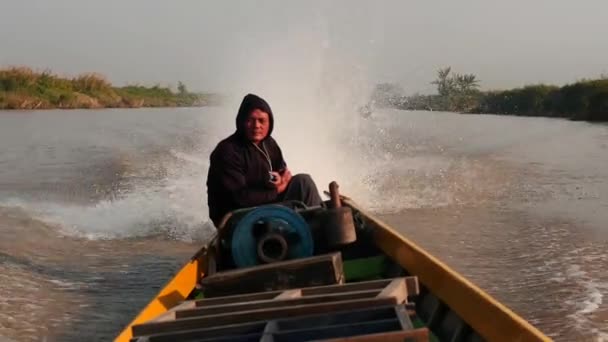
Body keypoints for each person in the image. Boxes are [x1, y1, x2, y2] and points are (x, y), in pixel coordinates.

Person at [206, 93, 323, 227]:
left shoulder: (269, 144)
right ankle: (316, 232)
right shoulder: (227, 151)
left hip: (263, 203)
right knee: (294, 207)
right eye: (251, 120)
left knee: (304, 182)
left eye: (262, 120)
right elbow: (239, 197)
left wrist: (280, 177)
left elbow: (281, 170)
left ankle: (323, 224)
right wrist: (276, 191)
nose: (257, 125)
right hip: (235, 216)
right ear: (241, 121)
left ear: (269, 123)